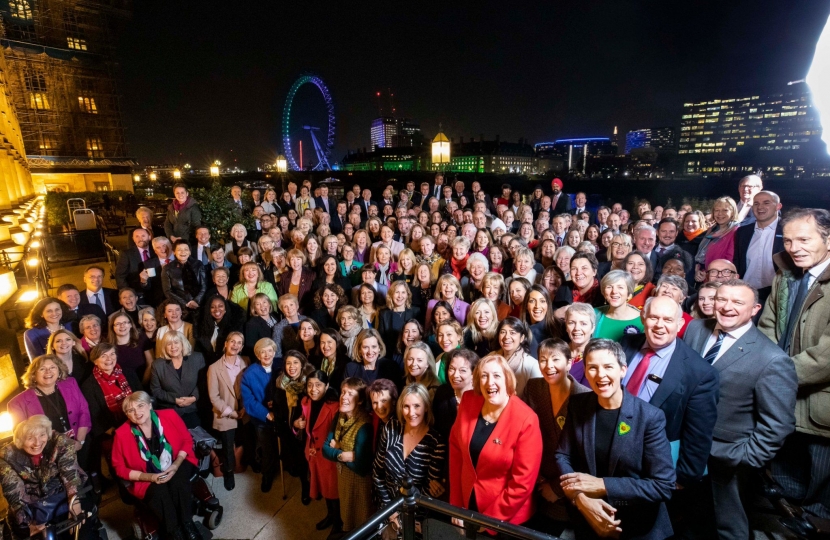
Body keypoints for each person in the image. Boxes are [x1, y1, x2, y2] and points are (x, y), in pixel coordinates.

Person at [684, 280, 797, 538]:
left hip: (728, 459)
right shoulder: (695, 329)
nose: (726, 307)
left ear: (755, 309)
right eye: (721, 300)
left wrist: (743, 459)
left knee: (727, 526)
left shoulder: (772, 359)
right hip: (686, 449)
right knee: (690, 518)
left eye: (737, 302)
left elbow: (778, 425)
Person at [555, 339, 676, 539]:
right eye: (592, 368)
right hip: (588, 521)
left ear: (623, 370)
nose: (600, 375)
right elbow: (562, 455)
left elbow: (663, 485)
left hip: (637, 526)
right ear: (585, 372)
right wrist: (580, 497)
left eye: (608, 367)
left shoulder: (649, 417)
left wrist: (602, 484)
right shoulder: (578, 405)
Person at [619, 296, 719, 526]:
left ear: (680, 324)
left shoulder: (699, 372)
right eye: (653, 317)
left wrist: (682, 479)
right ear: (643, 317)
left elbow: (698, 434)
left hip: (655, 468)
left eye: (667, 319)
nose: (659, 325)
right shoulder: (625, 345)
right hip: (614, 455)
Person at [758, 208, 830, 520]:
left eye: (804, 239)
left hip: (819, 410)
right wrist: (768, 373)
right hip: (782, 402)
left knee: (820, 500)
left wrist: (774, 378)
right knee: (785, 489)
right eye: (787, 240)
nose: (794, 247)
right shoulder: (784, 277)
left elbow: (825, 357)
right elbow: (767, 328)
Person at [449, 354, 542, 528]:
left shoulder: (526, 419)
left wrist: (489, 520)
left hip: (508, 518)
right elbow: (456, 451)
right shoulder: (469, 400)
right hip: (468, 502)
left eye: (496, 376)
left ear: (507, 379)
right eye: (484, 376)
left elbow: (522, 484)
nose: (489, 382)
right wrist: (456, 505)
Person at [111, 392, 201, 540]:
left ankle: (187, 523)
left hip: (177, 461)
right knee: (159, 492)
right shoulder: (121, 434)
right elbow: (119, 468)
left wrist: (176, 464)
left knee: (177, 482)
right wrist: (150, 477)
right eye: (131, 410)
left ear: (150, 405)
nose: (137, 412)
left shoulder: (170, 415)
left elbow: (187, 440)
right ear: (127, 415)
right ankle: (174, 531)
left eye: (140, 406)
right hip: (146, 474)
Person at [523, 338, 591, 534]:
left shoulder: (584, 397)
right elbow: (525, 436)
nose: (548, 366)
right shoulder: (533, 387)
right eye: (543, 360)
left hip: (566, 487)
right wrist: (536, 477)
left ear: (569, 363)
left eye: (555, 359)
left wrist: (557, 488)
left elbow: (584, 455)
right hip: (536, 481)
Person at [0, 415, 90, 540]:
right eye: (30, 438)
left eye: (42, 435)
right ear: (20, 440)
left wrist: (75, 502)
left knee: (84, 532)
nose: (37, 443)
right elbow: (13, 491)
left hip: (63, 497)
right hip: (30, 507)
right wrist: (30, 522)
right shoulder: (7, 457)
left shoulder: (60, 442)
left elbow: (69, 471)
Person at [373, 383, 446, 532]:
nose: (411, 412)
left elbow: (428, 491)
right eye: (406, 406)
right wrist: (391, 511)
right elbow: (377, 472)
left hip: (417, 517)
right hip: (387, 508)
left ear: (426, 407)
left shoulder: (436, 442)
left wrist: (410, 519)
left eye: (417, 406)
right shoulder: (391, 427)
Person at [8, 354, 91, 468]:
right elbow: (23, 436)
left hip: (79, 441)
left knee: (87, 469)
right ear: (33, 374)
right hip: (49, 455)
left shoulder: (70, 383)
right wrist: (54, 451)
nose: (48, 372)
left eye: (52, 367)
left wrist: (80, 441)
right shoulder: (17, 403)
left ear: (59, 370)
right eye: (42, 369)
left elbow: (84, 411)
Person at [322, 378, 374, 535]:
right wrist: (343, 455)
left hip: (359, 484)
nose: (344, 397)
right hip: (343, 479)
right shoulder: (339, 415)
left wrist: (337, 447)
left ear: (360, 401)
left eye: (350, 394)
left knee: (361, 520)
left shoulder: (364, 425)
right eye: (343, 392)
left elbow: (361, 467)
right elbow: (325, 449)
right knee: (347, 516)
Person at [300, 369, 342, 534]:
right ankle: (330, 515)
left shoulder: (334, 407)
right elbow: (303, 426)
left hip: (328, 457)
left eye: (318, 385)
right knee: (324, 489)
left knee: (333, 491)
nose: (313, 389)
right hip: (313, 454)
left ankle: (338, 523)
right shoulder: (306, 402)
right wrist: (297, 425)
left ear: (327, 386)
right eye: (310, 385)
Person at [206, 331, 248, 491]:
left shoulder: (246, 362)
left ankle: (243, 464)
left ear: (242, 347)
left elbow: (249, 387)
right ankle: (229, 471)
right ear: (225, 343)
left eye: (239, 343)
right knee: (228, 445)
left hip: (244, 411)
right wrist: (232, 412)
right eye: (232, 341)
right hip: (225, 413)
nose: (235, 345)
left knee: (244, 440)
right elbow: (214, 396)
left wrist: (245, 408)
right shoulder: (214, 368)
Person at [732, 190, 784, 310]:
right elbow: (737, 261)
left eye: (766, 203)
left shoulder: (788, 230)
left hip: (776, 295)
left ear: (778, 206)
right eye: (756, 204)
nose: (760, 207)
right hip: (747, 293)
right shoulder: (743, 232)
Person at [273, 350, 312, 505]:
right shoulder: (279, 384)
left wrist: (302, 423)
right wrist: (291, 425)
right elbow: (278, 410)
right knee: (295, 462)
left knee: (307, 460)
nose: (292, 366)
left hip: (307, 430)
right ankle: (304, 481)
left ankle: (308, 483)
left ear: (302, 364)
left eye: (295, 362)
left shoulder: (309, 384)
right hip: (289, 429)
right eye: (288, 363)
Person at [241, 338, 279, 492]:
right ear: (257, 354)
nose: (267, 354)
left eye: (270, 351)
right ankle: (267, 475)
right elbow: (249, 401)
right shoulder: (249, 374)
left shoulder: (281, 365)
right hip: (263, 419)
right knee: (267, 448)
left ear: (274, 352)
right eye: (262, 352)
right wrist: (266, 413)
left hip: (282, 414)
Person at [149, 330, 205, 429]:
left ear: (182, 343)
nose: (173, 347)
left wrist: (194, 397)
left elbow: (203, 383)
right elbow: (156, 390)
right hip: (169, 410)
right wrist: (175, 400)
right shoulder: (157, 365)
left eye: (176, 342)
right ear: (164, 347)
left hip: (193, 409)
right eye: (169, 344)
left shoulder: (197, 358)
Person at [491, 317, 542, 399]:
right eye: (503, 332)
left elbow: (537, 398)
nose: (507, 336)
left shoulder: (532, 365)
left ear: (521, 338)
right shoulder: (491, 358)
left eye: (512, 333)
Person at [594, 270, 644, 341]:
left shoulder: (642, 320)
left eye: (620, 287)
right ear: (604, 292)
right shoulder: (594, 314)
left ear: (628, 292)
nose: (614, 291)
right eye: (609, 287)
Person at [108, 311, 154, 385]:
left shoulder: (142, 339)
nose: (122, 326)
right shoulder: (108, 346)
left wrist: (142, 385)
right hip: (120, 387)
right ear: (112, 327)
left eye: (125, 322)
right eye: (118, 324)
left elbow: (151, 363)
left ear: (131, 325)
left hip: (144, 383)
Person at [377, 281, 421, 357]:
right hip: (390, 356)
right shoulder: (384, 314)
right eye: (397, 292)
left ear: (407, 294)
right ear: (391, 295)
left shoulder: (416, 312)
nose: (400, 296)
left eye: (403, 292)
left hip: (412, 354)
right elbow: (381, 339)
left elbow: (420, 337)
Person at [522, 285, 560, 358]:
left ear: (548, 304)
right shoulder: (520, 331)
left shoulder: (560, 327)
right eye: (532, 301)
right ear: (526, 305)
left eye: (542, 301)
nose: (537, 306)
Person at [277, 249, 316, 313]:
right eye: (292, 259)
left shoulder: (311, 275)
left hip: (306, 313)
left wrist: (299, 312)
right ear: (289, 262)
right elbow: (281, 296)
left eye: (298, 259)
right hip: (289, 312)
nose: (295, 262)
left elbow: (313, 298)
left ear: (302, 260)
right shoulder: (284, 276)